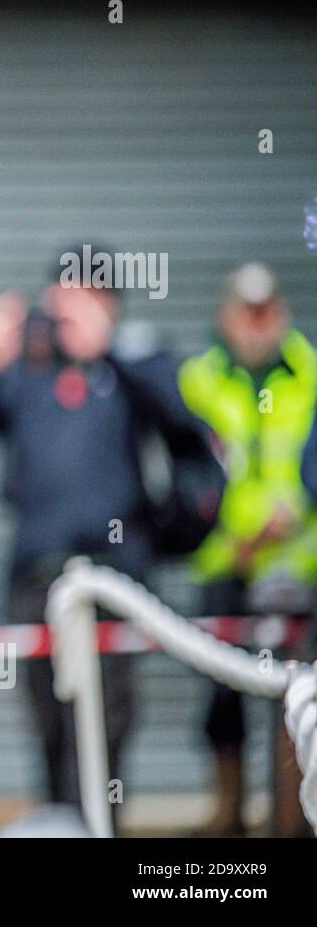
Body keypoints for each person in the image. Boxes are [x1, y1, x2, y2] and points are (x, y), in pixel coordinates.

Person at [0, 249, 214, 829]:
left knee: (106, 720)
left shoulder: (137, 361)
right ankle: (64, 825)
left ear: (110, 303)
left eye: (83, 296)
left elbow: (185, 420)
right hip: (34, 575)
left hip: (113, 576)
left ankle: (101, 828)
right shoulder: (32, 366)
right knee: (48, 719)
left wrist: (111, 347)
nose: (66, 308)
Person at [178, 263, 316, 836]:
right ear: (226, 317)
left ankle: (292, 818)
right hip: (225, 564)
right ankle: (229, 814)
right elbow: (184, 463)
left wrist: (299, 507)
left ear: (280, 315)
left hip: (298, 565)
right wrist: (213, 527)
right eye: (246, 312)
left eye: (266, 312)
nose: (257, 324)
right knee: (223, 696)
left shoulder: (309, 372)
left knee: (300, 696)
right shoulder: (198, 379)